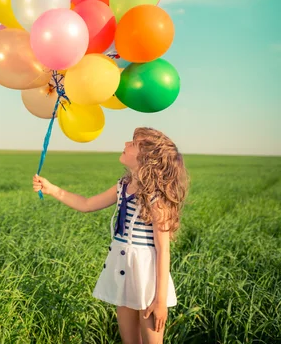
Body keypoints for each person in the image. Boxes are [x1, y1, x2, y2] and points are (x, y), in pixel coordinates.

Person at [32, 127, 190, 344]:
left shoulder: (156, 197)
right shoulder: (123, 186)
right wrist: (53, 189)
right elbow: (87, 204)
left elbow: (163, 250)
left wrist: (160, 300)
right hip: (123, 272)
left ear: (147, 158)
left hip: (147, 280)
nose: (125, 144)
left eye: (133, 143)